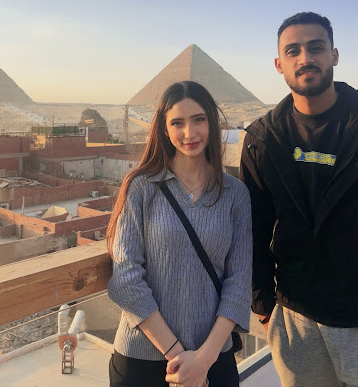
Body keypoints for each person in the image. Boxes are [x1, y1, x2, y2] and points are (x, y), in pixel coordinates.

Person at [239, 12, 358, 387]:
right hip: (296, 317)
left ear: (334, 55)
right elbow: (253, 228)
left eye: (316, 48)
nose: (305, 58)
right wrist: (263, 304)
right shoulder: (262, 139)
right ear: (278, 64)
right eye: (293, 51)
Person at [107, 80, 252, 387]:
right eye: (177, 123)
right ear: (164, 129)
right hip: (142, 360)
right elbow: (126, 279)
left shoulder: (235, 194)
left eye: (198, 119)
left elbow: (239, 282)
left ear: (212, 123)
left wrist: (203, 360)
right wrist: (180, 358)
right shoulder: (141, 188)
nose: (189, 133)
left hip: (212, 358)